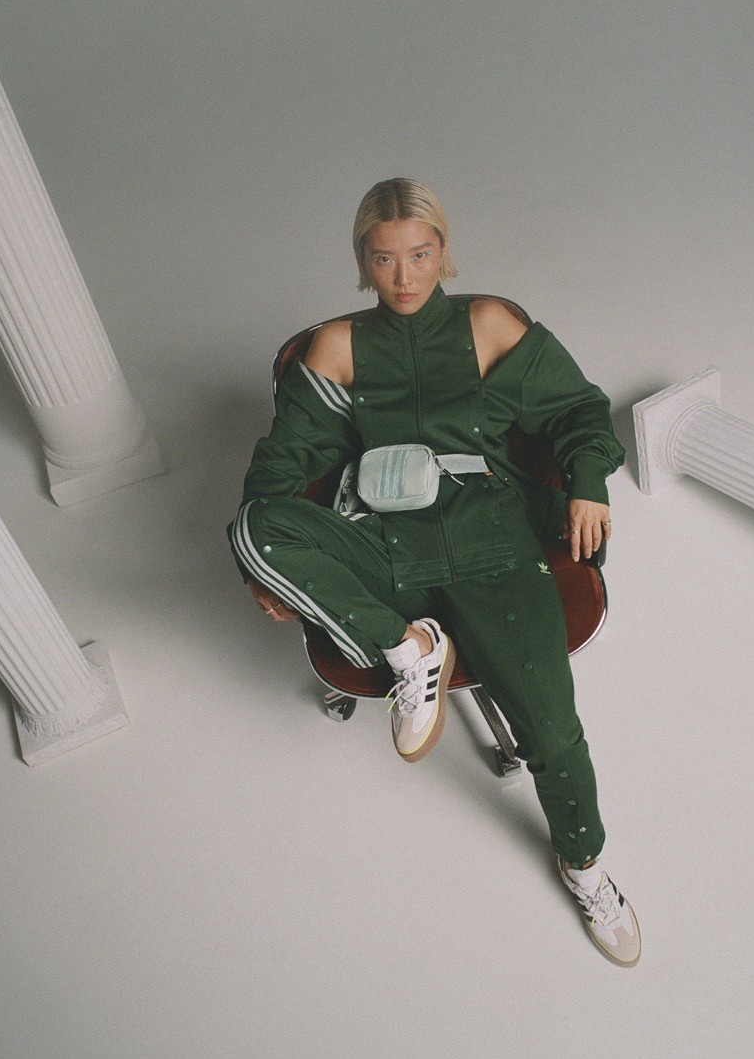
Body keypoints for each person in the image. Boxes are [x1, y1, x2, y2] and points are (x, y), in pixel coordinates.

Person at [227, 178, 639, 965]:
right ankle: (408, 646)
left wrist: (588, 479)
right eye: (384, 259)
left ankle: (585, 867)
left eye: (419, 255)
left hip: (493, 541)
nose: (404, 277)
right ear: (363, 261)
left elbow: (578, 410)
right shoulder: (337, 347)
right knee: (253, 529)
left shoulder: (488, 324)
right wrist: (266, 570)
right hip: (388, 543)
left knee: (552, 730)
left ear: (443, 250)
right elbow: (280, 470)